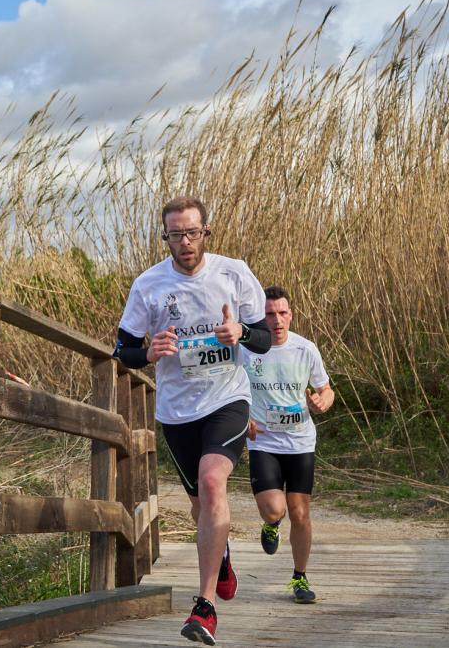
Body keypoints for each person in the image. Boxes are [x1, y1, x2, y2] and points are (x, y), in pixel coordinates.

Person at [113, 196, 271, 645]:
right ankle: (219, 554)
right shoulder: (149, 285)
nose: (185, 242)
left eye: (192, 232)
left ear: (206, 233)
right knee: (200, 503)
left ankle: (204, 607)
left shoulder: (234, 273)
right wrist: (148, 352)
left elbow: (262, 339)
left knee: (212, 481)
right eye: (175, 234)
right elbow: (121, 350)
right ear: (165, 237)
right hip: (177, 411)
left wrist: (240, 332)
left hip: (227, 398)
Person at [241, 285, 335, 604]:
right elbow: (225, 389)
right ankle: (271, 525)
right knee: (274, 509)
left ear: (291, 315)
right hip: (263, 441)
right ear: (260, 317)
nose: (276, 320)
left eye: (282, 313)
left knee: (300, 513)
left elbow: (326, 388)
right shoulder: (246, 350)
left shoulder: (305, 349)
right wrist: (242, 419)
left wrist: (322, 401)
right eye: (269, 314)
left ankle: (299, 578)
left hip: (300, 441)